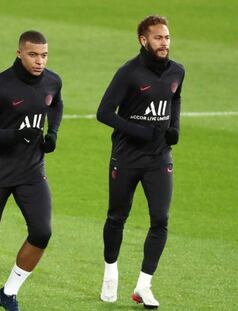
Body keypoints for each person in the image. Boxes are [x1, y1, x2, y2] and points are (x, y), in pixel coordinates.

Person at [0, 30, 63, 311]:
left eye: (43, 55)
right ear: (19, 53)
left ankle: (9, 292)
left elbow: (56, 104)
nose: (39, 61)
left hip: (32, 171)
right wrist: (15, 135)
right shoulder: (1, 86)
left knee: (42, 232)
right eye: (33, 54)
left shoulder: (53, 81)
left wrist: (52, 133)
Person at [96, 15, 185, 309]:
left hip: (159, 158)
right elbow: (104, 112)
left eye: (167, 37)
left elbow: (176, 98)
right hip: (127, 156)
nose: (164, 43)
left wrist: (174, 128)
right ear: (143, 40)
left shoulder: (177, 71)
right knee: (117, 217)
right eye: (158, 38)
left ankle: (144, 285)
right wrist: (140, 131)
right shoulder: (129, 73)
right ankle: (110, 273)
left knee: (160, 219)